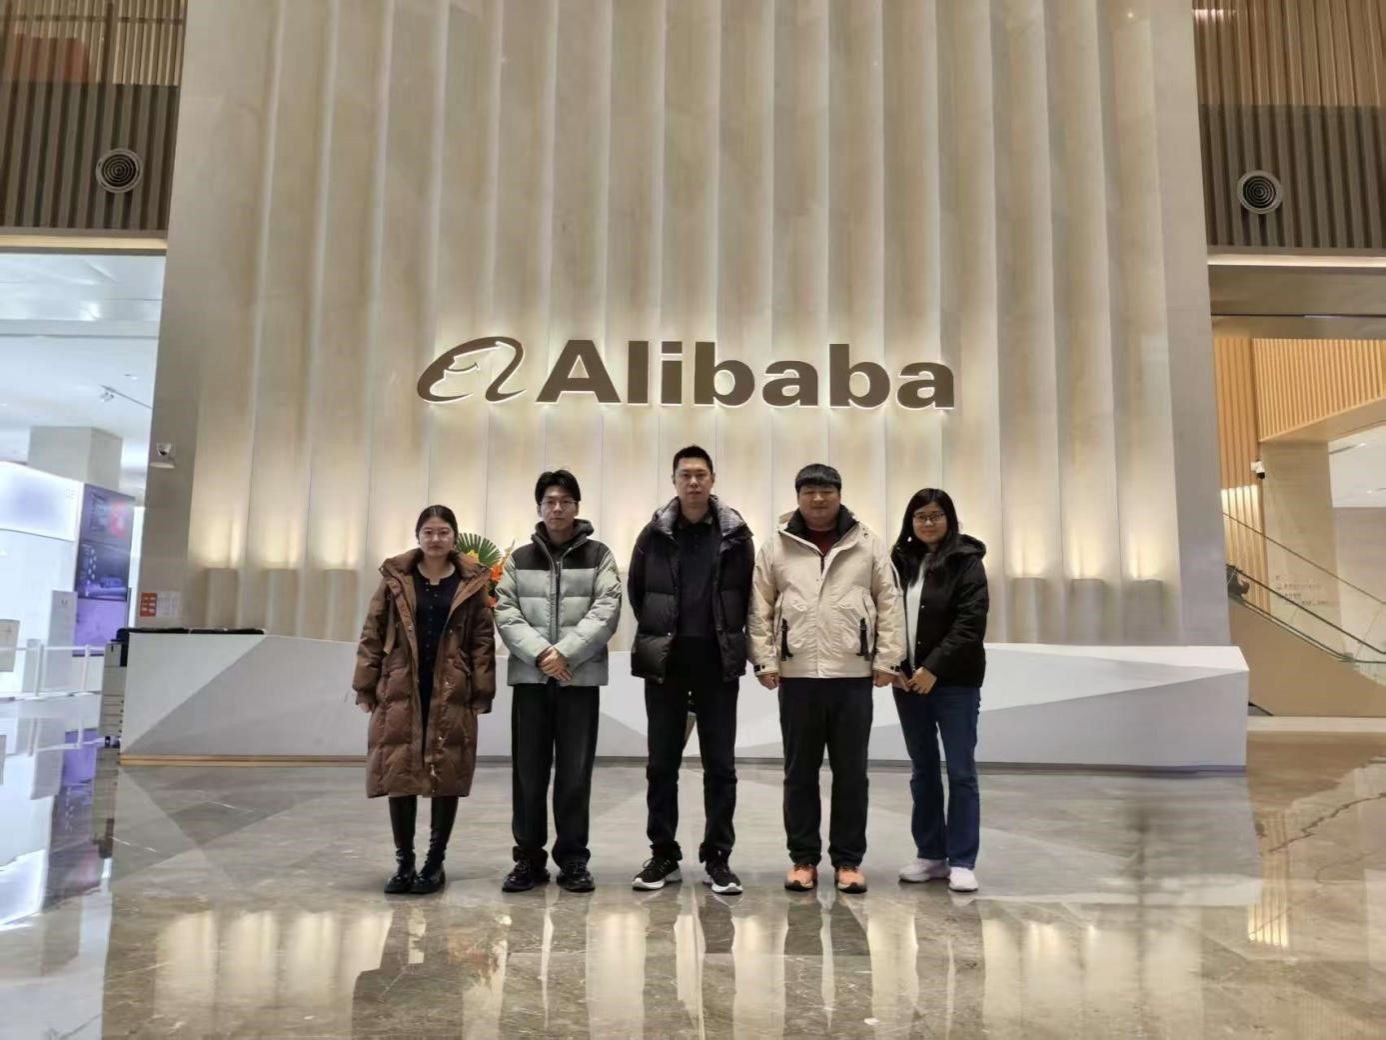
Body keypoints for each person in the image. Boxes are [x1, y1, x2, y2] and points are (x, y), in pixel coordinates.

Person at [747, 463, 904, 894]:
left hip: (852, 675)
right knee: (799, 773)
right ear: (798, 497)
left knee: (852, 774)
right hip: (797, 676)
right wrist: (765, 660)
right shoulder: (776, 545)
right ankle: (803, 859)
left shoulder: (866, 543)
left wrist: (888, 659)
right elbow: (759, 606)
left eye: (826, 491)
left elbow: (889, 602)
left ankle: (848, 861)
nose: (818, 499)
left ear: (839, 494)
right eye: (810, 491)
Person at [627, 445, 755, 894]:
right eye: (685, 475)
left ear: (713, 479)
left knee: (721, 766)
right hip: (667, 662)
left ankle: (718, 857)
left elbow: (749, 592)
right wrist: (664, 633)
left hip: (717, 662)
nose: (694, 482)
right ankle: (663, 854)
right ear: (674, 481)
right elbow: (638, 592)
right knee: (662, 764)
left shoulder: (736, 535)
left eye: (701, 474)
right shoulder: (653, 534)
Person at [352, 505, 496, 895]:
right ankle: (404, 862)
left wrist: (482, 690)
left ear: (454, 537)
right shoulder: (396, 579)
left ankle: (435, 862)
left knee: (446, 773)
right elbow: (372, 633)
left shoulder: (471, 582)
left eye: (443, 532)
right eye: (428, 532)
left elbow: (482, 640)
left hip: (452, 688)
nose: (436, 539)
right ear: (418, 536)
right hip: (401, 685)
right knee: (399, 772)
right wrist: (365, 686)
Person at [493, 470, 622, 893]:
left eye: (565, 501)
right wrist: (541, 655)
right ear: (539, 507)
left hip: (578, 681)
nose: (557, 508)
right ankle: (528, 860)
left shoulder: (599, 555)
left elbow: (607, 608)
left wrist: (565, 653)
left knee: (575, 774)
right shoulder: (519, 558)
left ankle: (573, 859)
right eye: (550, 501)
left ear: (577, 507)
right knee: (528, 774)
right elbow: (505, 611)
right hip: (531, 682)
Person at [890, 488, 989, 894]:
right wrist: (895, 666)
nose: (928, 523)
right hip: (907, 683)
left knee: (961, 771)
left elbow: (970, 622)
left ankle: (962, 860)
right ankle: (931, 854)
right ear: (910, 522)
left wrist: (933, 668)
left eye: (935, 515)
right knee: (923, 770)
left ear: (949, 519)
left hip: (955, 683)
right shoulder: (901, 561)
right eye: (920, 516)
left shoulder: (967, 561)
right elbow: (886, 616)